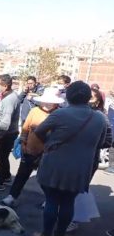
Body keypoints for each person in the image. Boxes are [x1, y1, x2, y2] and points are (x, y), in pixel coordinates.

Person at [34, 81, 107, 236]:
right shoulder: (100, 118)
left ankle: (46, 233)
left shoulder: (60, 114)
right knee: (68, 202)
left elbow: (39, 131)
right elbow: (100, 144)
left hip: (54, 164)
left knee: (52, 201)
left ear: (68, 95)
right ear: (88, 97)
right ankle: (60, 233)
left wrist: (49, 142)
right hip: (80, 168)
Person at [1, 88, 64, 207]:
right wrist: (23, 142)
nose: (47, 104)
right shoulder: (34, 111)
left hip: (48, 152)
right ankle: (12, 196)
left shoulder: (59, 114)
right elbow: (25, 128)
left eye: (50, 102)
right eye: (46, 102)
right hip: (30, 149)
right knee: (22, 174)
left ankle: (50, 199)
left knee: (46, 177)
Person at [65, 87, 113, 233]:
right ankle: (65, 217)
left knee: (76, 190)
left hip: (86, 158)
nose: (90, 99)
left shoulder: (100, 117)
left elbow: (108, 140)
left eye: (93, 97)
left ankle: (72, 219)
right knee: (66, 188)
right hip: (73, 157)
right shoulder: (70, 113)